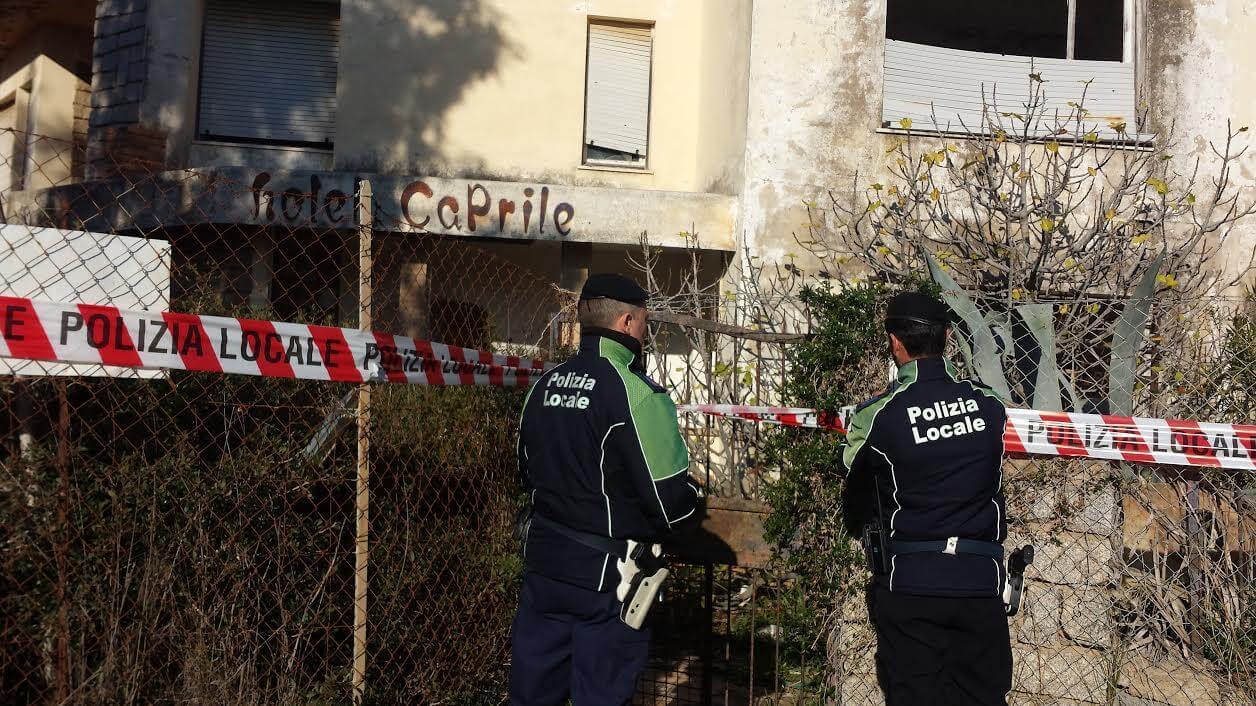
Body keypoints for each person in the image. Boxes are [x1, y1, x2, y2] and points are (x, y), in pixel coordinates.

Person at [511, 273, 701, 706]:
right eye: (645, 323)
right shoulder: (638, 395)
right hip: (607, 585)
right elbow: (672, 505)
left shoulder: (541, 386)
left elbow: (526, 471)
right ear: (629, 323)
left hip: (544, 570)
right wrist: (694, 499)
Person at [841, 292, 1012, 706]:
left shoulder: (879, 415)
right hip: (979, 583)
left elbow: (856, 490)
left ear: (894, 343)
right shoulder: (988, 405)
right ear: (948, 336)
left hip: (911, 584)